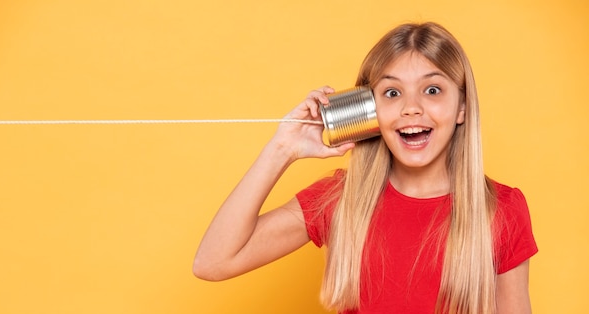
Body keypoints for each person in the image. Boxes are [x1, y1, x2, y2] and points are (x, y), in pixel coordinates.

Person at [193, 22, 538, 313]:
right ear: (367, 111)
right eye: (391, 93)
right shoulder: (340, 199)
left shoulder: (501, 209)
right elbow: (213, 262)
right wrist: (282, 149)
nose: (411, 108)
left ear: (462, 108)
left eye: (432, 90)